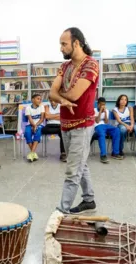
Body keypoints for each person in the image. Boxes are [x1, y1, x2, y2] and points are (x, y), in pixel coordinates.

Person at [49, 27, 98, 214]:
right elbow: (51, 93)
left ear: (76, 43)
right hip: (65, 124)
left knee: (72, 171)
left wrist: (59, 95)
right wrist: (62, 99)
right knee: (80, 164)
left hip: (82, 126)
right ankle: (89, 199)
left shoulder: (91, 65)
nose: (61, 48)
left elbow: (75, 95)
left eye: (64, 44)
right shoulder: (65, 66)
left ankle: (61, 212)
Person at [113, 94, 136, 159]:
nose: (123, 101)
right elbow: (119, 121)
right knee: (123, 130)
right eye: (122, 99)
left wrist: (132, 125)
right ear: (119, 100)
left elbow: (132, 118)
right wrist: (126, 126)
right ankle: (120, 150)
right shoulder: (115, 110)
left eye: (125, 100)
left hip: (130, 123)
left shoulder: (130, 108)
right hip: (121, 124)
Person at [92, 97, 123, 164]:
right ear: (98, 104)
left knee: (116, 130)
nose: (103, 106)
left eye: (104, 104)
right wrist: (100, 111)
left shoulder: (107, 111)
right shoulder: (94, 110)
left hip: (105, 125)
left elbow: (106, 122)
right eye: (101, 104)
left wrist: (105, 113)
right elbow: (97, 121)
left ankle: (115, 153)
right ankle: (103, 155)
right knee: (102, 134)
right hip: (97, 126)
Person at [24, 94, 45, 162]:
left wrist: (36, 126)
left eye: (40, 99)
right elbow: (30, 119)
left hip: (39, 124)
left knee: (38, 131)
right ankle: (33, 153)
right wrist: (34, 126)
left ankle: (31, 153)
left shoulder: (42, 107)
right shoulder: (28, 108)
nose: (40, 100)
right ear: (33, 100)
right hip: (30, 124)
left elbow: (42, 119)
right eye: (38, 99)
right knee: (27, 132)